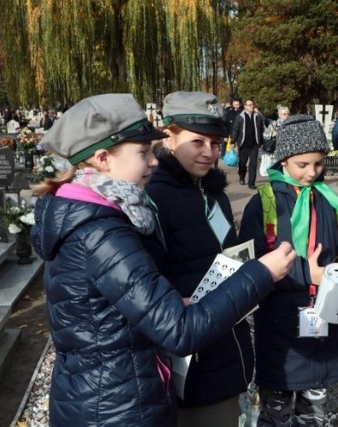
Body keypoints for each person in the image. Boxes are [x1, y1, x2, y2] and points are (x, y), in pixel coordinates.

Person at [30, 93, 297, 426]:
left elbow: (128, 303)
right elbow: (177, 329)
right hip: (117, 405)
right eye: (143, 153)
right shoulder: (103, 232)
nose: (153, 161)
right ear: (102, 159)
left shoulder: (98, 218)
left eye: (215, 143)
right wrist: (260, 274)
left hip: (120, 393)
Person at [142, 91, 255, 426]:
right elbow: (147, 282)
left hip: (227, 339)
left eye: (216, 142)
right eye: (198, 141)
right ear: (168, 136)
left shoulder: (213, 193)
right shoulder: (153, 198)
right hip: (190, 355)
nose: (210, 152)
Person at [238, 115, 338, 427]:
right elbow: (250, 266)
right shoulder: (265, 202)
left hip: (323, 324)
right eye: (302, 164)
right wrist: (309, 275)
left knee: (315, 406)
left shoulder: (330, 200)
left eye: (318, 164)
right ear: (284, 160)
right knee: (277, 407)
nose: (312, 172)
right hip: (281, 326)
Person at [230, 99, 265, 189]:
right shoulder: (240, 117)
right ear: (245, 106)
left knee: (253, 164)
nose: (251, 106)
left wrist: (260, 141)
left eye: (252, 104)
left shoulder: (257, 116)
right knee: (242, 163)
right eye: (249, 105)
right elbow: (235, 129)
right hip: (243, 144)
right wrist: (233, 141)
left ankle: (251, 183)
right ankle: (241, 176)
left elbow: (261, 129)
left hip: (254, 145)